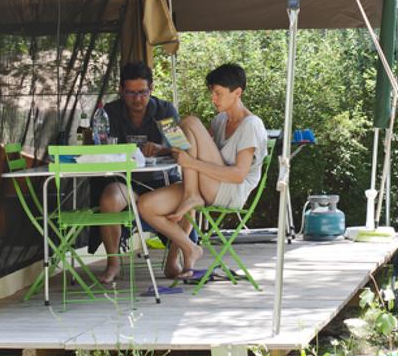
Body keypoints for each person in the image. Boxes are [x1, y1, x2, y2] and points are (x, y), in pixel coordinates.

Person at [138, 63, 268, 279]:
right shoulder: (220, 121)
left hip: (231, 191)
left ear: (237, 93)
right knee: (145, 205)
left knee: (189, 121)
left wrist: (191, 164)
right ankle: (189, 249)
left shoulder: (251, 125)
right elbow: (193, 150)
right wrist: (164, 149)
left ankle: (191, 196)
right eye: (212, 93)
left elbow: (238, 174)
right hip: (205, 185)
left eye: (218, 93)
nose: (213, 99)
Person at [93, 61, 179, 284]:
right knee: (109, 198)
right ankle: (113, 263)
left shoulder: (165, 110)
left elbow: (182, 148)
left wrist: (163, 148)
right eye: (131, 93)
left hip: (161, 182)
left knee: (188, 195)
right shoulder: (108, 113)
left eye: (142, 92)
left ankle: (173, 260)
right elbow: (98, 149)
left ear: (151, 89)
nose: (137, 98)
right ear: (122, 91)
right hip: (125, 182)